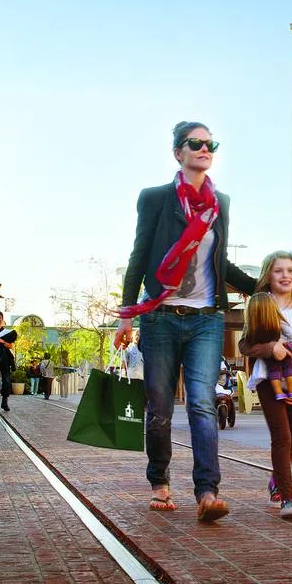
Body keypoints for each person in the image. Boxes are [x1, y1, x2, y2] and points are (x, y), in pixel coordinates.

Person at [114, 120, 257, 522]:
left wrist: (261, 285)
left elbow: (221, 262)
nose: (204, 148)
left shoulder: (220, 204)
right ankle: (159, 481)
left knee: (202, 403)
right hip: (159, 317)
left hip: (206, 320)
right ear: (178, 152)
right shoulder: (156, 199)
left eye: (211, 143)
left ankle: (208, 492)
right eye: (196, 143)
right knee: (159, 406)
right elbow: (140, 257)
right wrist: (127, 315)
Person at [239, 251, 292, 519]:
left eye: (290, 271)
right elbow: (245, 345)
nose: (285, 276)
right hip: (269, 381)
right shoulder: (261, 305)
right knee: (281, 437)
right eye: (278, 271)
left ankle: (276, 481)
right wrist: (271, 348)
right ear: (267, 276)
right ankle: (288, 498)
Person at [244, 292, 292, 401]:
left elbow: (246, 344)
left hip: (268, 359)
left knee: (273, 370)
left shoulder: (252, 329)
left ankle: (278, 393)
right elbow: (291, 335)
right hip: (284, 349)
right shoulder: (279, 322)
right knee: (289, 366)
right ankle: (291, 391)